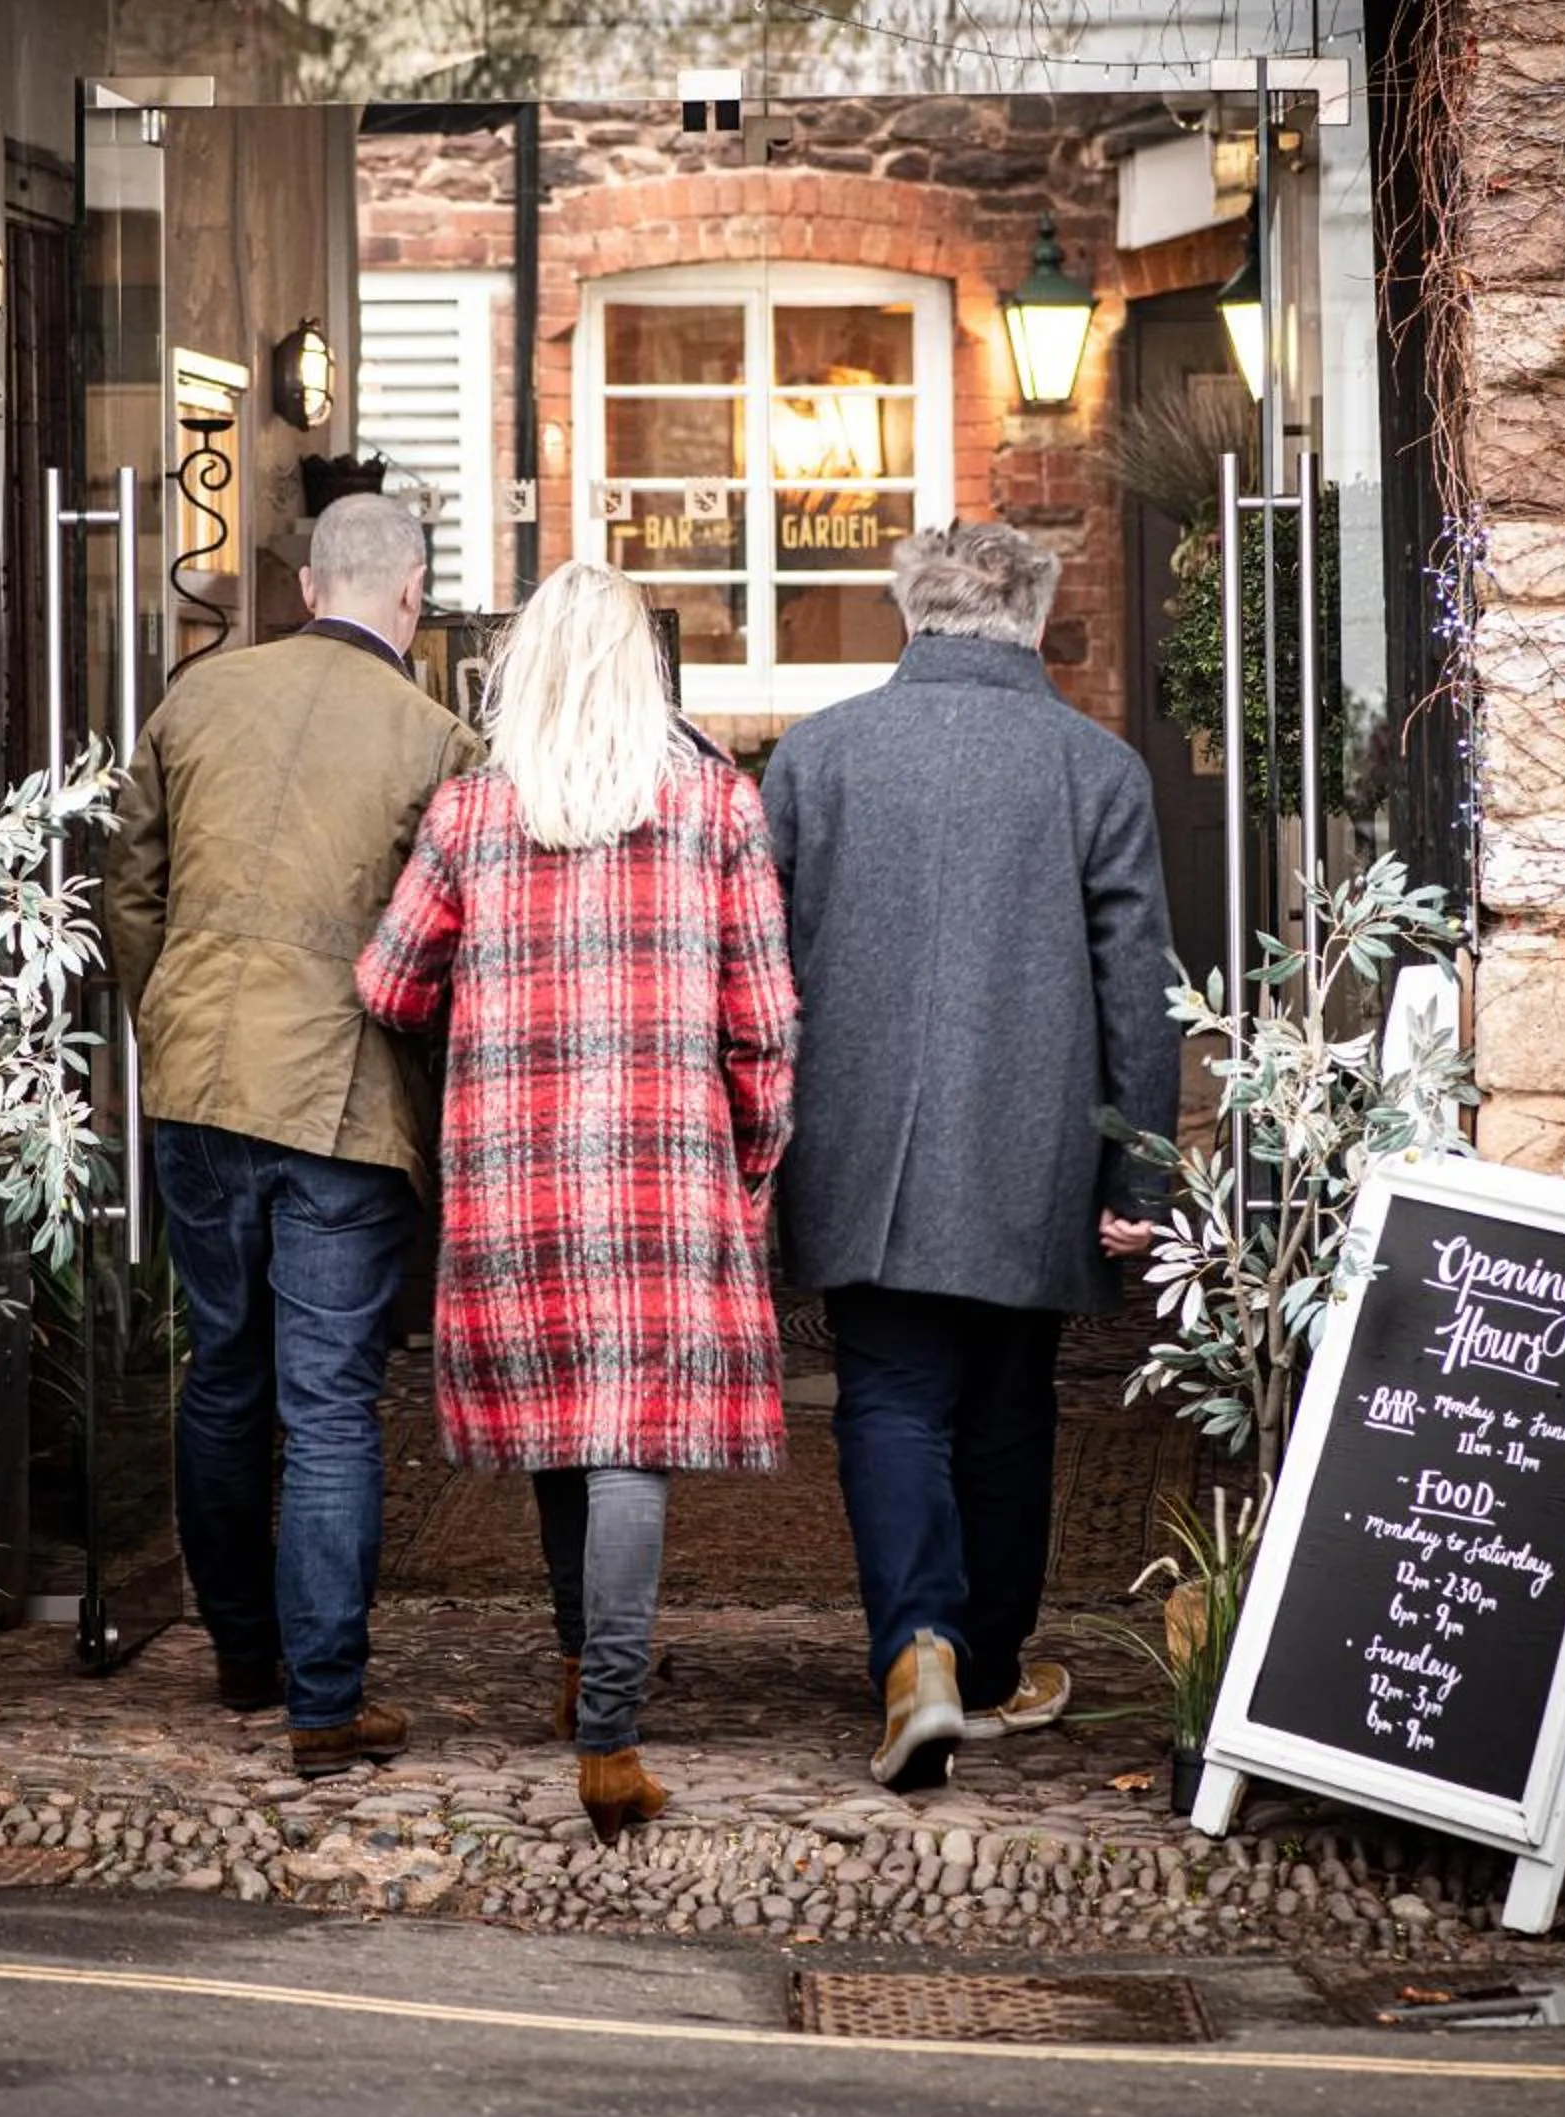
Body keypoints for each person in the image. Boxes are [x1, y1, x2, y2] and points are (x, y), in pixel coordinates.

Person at [356, 560, 796, 1843]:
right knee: (626, 1435)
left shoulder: (474, 813)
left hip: (517, 1166)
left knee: (568, 1422)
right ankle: (608, 1729)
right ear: (646, 677)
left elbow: (387, 987)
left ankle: (576, 1674)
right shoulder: (716, 804)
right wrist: (753, 1164)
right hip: (665, 1164)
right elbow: (765, 1024)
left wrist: (473, 996)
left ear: (522, 673)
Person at [760, 521, 1177, 1793]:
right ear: (1037, 621)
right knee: (1007, 1404)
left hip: (856, 1139)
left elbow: (757, 975)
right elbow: (1138, 992)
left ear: (909, 612)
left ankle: (920, 1652)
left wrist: (753, 1139)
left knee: (888, 1396)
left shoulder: (814, 757)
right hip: (1033, 1147)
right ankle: (987, 1665)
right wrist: (1141, 1178)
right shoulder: (1094, 767)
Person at [102, 494, 483, 1775]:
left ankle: (241, 1656)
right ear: (413, 596)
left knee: (223, 1371)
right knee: (327, 1402)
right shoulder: (441, 738)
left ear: (310, 579)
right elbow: (443, 949)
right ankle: (324, 1703)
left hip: (201, 1083)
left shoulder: (196, 696)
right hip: (341, 1099)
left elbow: (130, 893)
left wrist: (172, 1014)